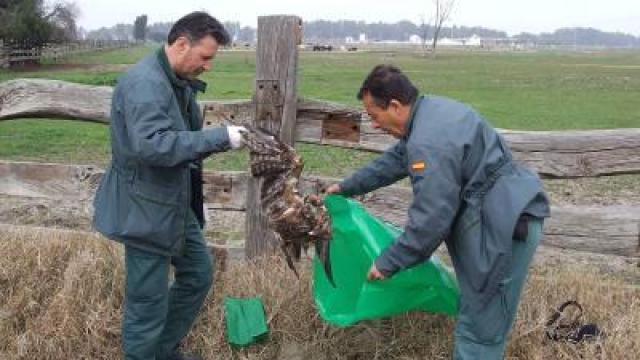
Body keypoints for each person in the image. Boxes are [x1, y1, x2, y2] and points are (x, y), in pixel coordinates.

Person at [325, 65, 550, 359]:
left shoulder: (430, 141)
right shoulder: (429, 115)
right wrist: (347, 187)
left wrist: (388, 262)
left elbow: (432, 218)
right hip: (499, 217)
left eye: (373, 116)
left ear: (394, 105)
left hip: (505, 228)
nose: (375, 125)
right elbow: (395, 161)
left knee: (479, 330)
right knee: (478, 317)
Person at [93, 12, 246, 360]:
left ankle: (160, 351)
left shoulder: (174, 80)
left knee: (198, 274)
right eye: (205, 57)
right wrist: (220, 137)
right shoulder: (145, 83)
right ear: (181, 45)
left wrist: (194, 194)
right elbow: (154, 145)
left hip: (172, 203)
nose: (208, 66)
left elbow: (179, 140)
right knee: (147, 302)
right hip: (145, 209)